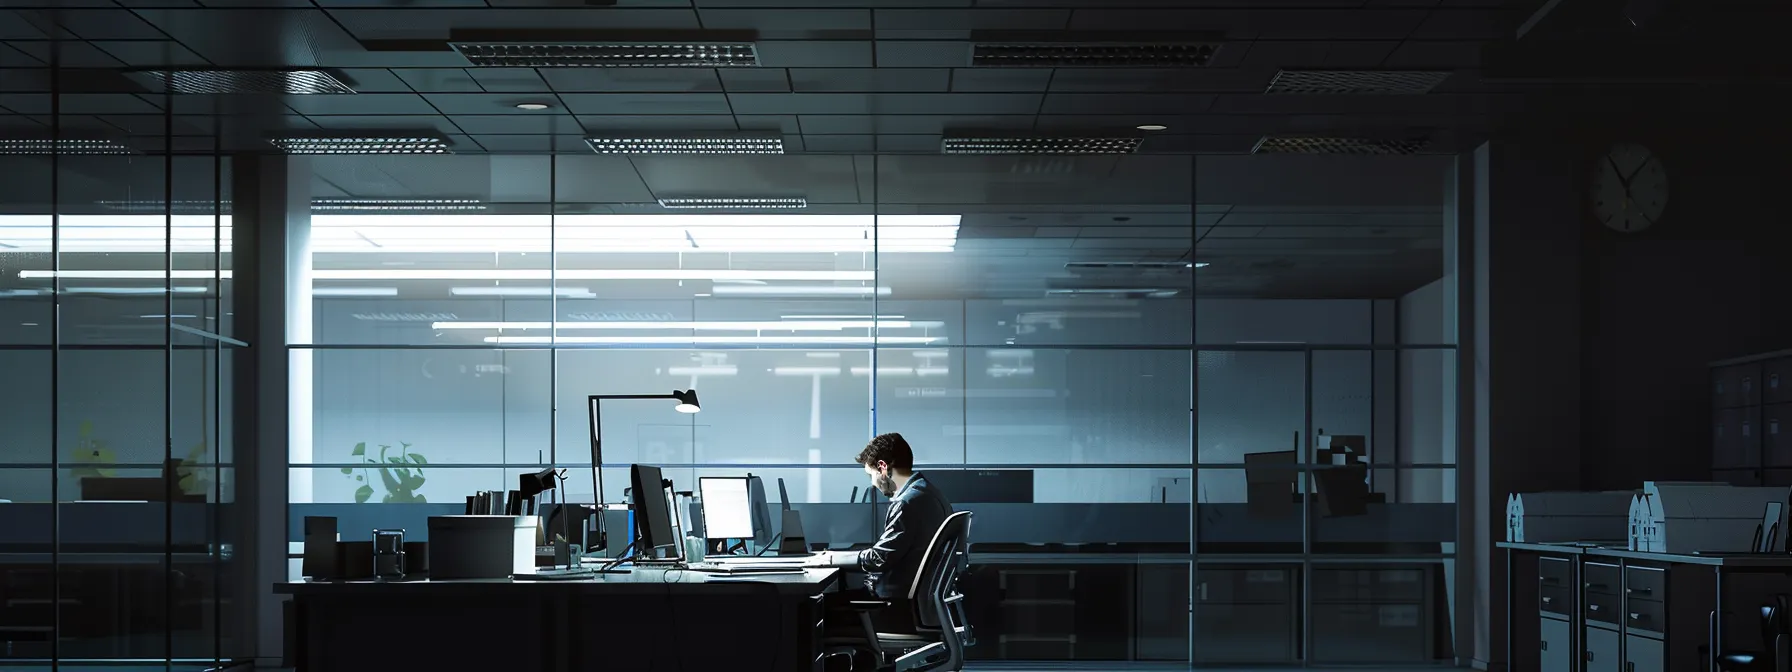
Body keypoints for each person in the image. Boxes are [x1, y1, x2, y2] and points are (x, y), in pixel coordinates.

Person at [807, 433, 954, 639]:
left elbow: (879, 559)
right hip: (919, 605)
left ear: (883, 467)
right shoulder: (930, 493)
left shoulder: (908, 502)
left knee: (812, 610)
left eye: (871, 475)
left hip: (897, 608)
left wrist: (830, 557)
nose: (873, 484)